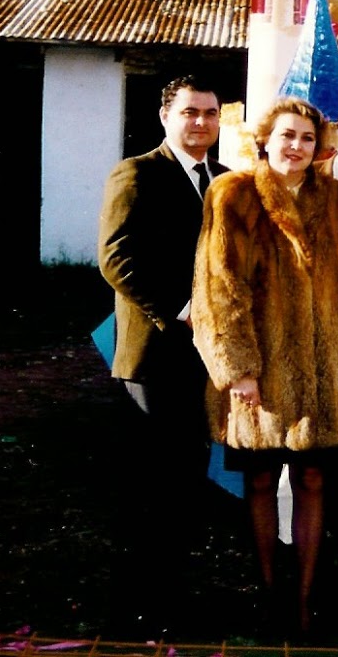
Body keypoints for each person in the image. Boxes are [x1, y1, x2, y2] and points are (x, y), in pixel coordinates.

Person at [190, 98, 338, 637]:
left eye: (306, 138)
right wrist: (238, 368)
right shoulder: (233, 195)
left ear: (319, 147)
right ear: (265, 141)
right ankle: (268, 594)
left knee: (313, 480)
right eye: (287, 135)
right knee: (258, 481)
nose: (296, 146)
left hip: (325, 375)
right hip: (259, 373)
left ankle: (303, 601)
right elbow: (218, 287)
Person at [96, 75, 228, 635]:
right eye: (190, 112)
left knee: (184, 484)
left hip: (205, 361)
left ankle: (171, 601)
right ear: (165, 117)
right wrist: (179, 308)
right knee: (147, 485)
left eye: (210, 113)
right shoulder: (137, 173)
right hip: (153, 356)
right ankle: (133, 609)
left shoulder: (224, 180)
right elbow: (115, 257)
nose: (200, 122)